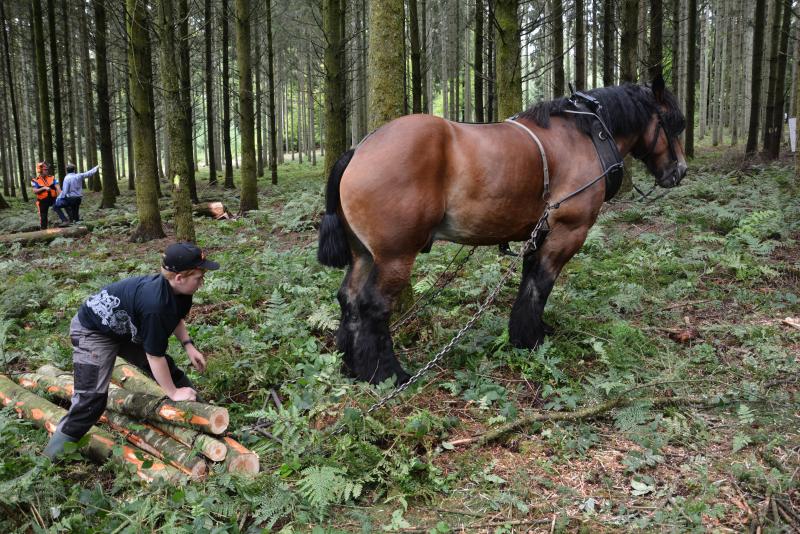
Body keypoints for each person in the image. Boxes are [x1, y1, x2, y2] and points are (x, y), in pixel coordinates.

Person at [43, 242, 220, 459]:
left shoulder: (180, 292)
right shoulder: (156, 305)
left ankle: (206, 418)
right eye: (199, 277)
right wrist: (172, 393)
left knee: (170, 371)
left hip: (124, 329)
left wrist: (188, 344)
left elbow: (175, 319)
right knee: (91, 401)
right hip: (92, 332)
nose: (202, 282)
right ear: (179, 277)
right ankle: (49, 460)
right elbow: (154, 355)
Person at [31, 161, 68, 229]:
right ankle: (43, 229)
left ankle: (65, 221)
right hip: (42, 200)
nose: (47, 171)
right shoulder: (35, 180)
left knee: (57, 206)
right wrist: (43, 188)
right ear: (40, 170)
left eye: (47, 169)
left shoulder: (52, 178)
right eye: (45, 169)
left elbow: (58, 187)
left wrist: (61, 196)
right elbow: (35, 191)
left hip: (53, 199)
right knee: (43, 215)